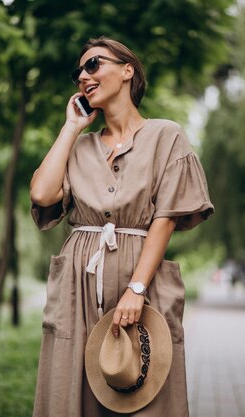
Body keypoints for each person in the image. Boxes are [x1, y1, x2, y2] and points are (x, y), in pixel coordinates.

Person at [29, 36, 214, 417]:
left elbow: (166, 217)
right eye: (78, 71)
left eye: (93, 64)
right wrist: (71, 127)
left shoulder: (167, 136)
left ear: (127, 70)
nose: (83, 75)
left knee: (147, 390)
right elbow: (43, 195)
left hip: (140, 281)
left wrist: (136, 288)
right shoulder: (79, 147)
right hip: (78, 289)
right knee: (72, 393)